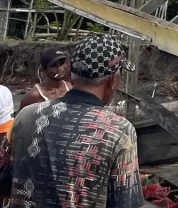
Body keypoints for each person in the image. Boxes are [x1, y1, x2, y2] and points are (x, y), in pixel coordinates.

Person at [8, 33, 144, 208]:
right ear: (112, 80)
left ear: (72, 74)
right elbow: (125, 204)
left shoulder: (25, 116)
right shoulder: (119, 130)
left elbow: (5, 182)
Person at [18, 47, 71, 111]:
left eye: (61, 63)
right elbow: (20, 118)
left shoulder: (70, 88)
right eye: (54, 65)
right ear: (44, 70)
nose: (59, 68)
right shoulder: (34, 96)